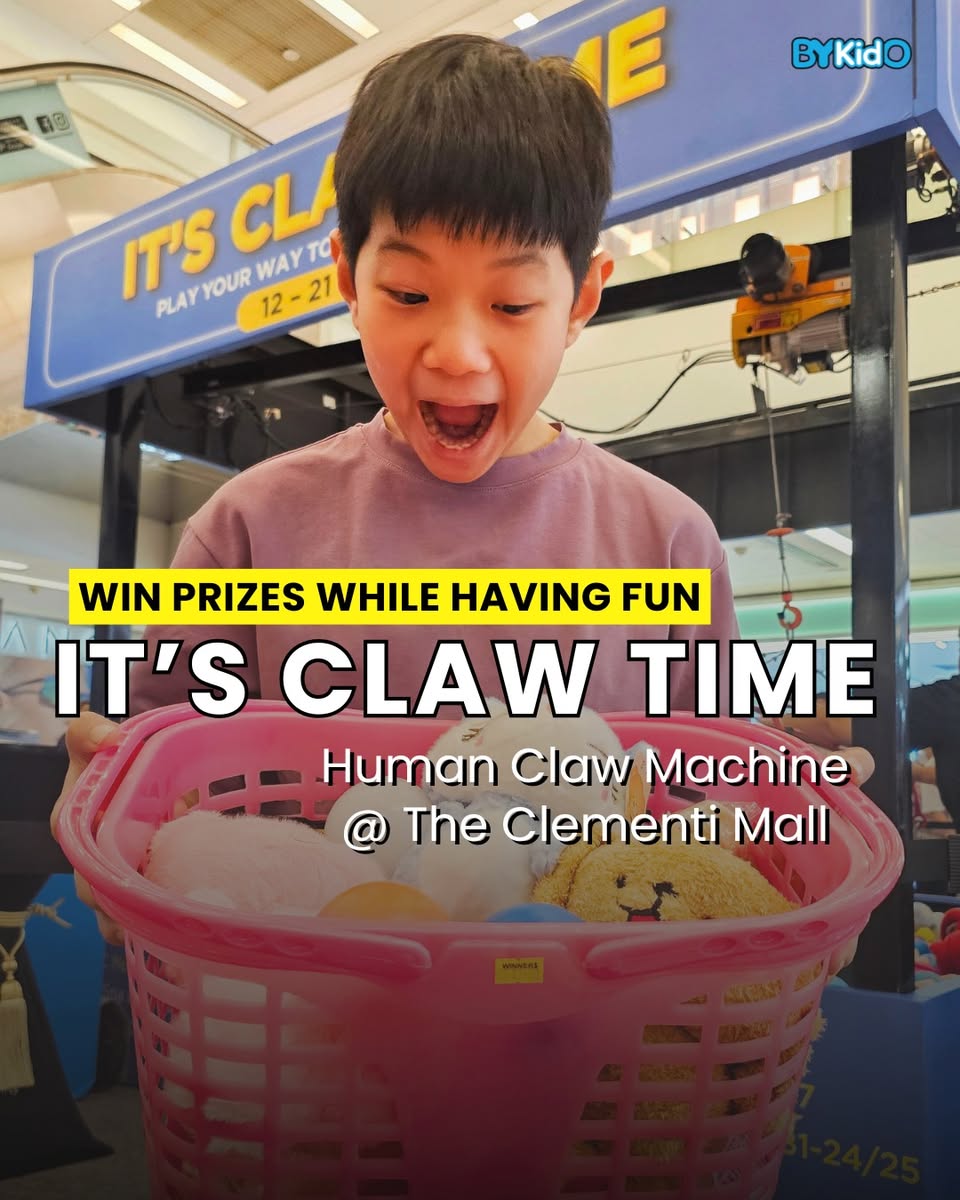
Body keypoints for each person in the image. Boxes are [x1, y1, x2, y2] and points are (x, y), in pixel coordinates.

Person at [49, 34, 871, 944]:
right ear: (345, 282)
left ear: (584, 298)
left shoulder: (668, 538)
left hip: (596, 1058)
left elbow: (695, 823)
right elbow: (158, 795)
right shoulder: (247, 528)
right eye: (407, 294)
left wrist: (783, 796)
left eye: (513, 305)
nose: (459, 352)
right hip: (301, 1047)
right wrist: (105, 807)